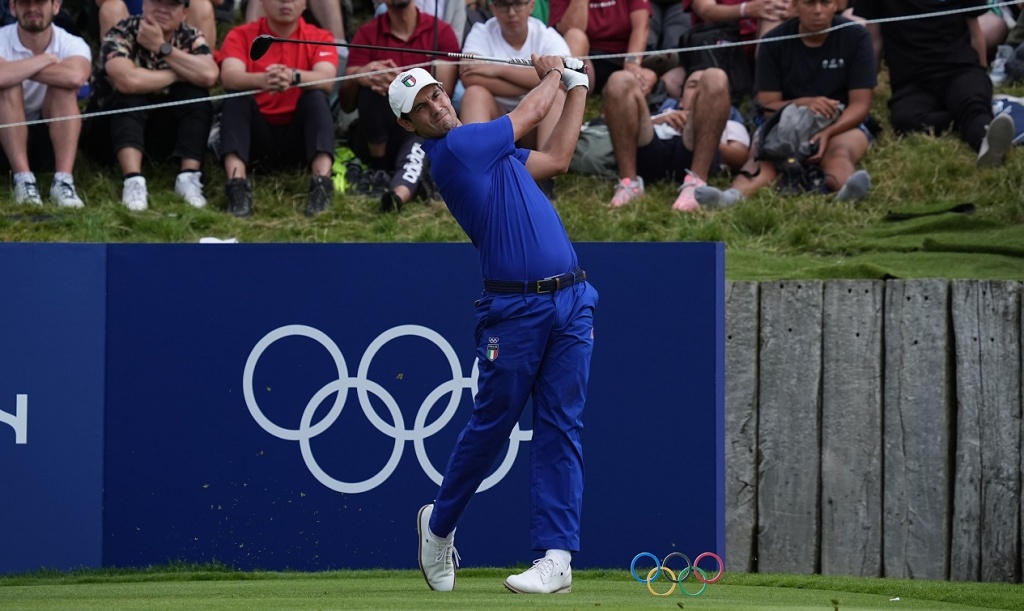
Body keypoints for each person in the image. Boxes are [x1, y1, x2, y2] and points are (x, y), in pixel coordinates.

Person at [389, 55, 596, 595]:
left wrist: (576, 86)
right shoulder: (457, 149)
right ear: (409, 125)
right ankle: (438, 528)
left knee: (561, 428)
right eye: (423, 107)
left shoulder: (492, 152)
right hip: (515, 310)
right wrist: (552, 70)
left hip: (572, 299)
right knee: (491, 428)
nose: (438, 105)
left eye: (438, 93)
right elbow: (527, 112)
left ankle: (556, 560)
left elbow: (558, 157)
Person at [697, 0, 876, 206]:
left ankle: (846, 191)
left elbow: (861, 105)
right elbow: (767, 105)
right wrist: (803, 103)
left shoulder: (855, 37)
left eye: (825, 2)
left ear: (835, 5)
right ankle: (730, 197)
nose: (818, 11)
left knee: (838, 152)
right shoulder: (773, 41)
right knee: (762, 157)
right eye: (809, 3)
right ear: (794, 6)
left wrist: (827, 133)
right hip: (784, 119)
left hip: (840, 122)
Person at [85, 0, 219, 211]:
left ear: (184, 13)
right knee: (131, 96)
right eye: (157, 1)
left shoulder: (190, 35)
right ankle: (133, 180)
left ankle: (189, 178)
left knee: (196, 94)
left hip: (161, 130)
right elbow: (128, 81)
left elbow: (209, 75)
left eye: (172, 5)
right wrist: (179, 74)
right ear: (145, 4)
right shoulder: (121, 31)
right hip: (108, 133)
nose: (163, 9)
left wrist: (162, 48)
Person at [854, 0, 1015, 167]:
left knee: (972, 100)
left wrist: (982, 74)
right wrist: (863, 88)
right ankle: (964, 118)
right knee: (906, 121)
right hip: (911, 81)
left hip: (960, 69)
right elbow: (874, 42)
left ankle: (985, 141)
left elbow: (976, 34)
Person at [217, 0, 338, 217]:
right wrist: (263, 80)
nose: (285, 2)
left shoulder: (320, 37)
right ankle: (237, 186)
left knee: (317, 97)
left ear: (305, 4)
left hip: (299, 139)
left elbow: (327, 79)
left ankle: (322, 184)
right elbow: (229, 76)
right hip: (256, 138)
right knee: (236, 97)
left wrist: (294, 77)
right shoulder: (241, 34)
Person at [339, 0, 460, 212]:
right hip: (378, 130)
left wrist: (403, 86)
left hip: (419, 127)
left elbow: (443, 96)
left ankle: (396, 195)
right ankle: (380, 169)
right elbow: (346, 104)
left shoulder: (441, 31)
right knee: (370, 87)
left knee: (419, 136)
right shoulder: (367, 34)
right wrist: (362, 74)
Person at [0, 0, 91, 207]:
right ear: (13, 7)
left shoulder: (72, 43)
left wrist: (14, 70)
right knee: (8, 86)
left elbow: (75, 77)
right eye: (25, 3)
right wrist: (43, 60)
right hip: (3, 139)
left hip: (49, 138)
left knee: (63, 88)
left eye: (40, 2)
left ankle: (63, 181)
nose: (32, 9)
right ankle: (23, 179)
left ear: (56, 6)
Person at [460, 0, 570, 166]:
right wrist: (542, 80)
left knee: (557, 95)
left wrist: (498, 70)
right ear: (493, 8)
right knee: (474, 93)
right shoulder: (481, 32)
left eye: (518, 4)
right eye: (503, 5)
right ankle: (477, 169)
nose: (511, 12)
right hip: (497, 118)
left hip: (536, 120)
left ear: (531, 5)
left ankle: (545, 176)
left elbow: (563, 78)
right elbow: (469, 76)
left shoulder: (546, 35)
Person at [605, 66, 731, 210]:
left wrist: (704, 129)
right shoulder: (662, 110)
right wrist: (659, 120)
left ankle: (696, 187)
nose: (698, 91)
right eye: (693, 85)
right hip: (648, 150)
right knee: (619, 79)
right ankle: (629, 185)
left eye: (704, 87)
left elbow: (740, 154)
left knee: (715, 76)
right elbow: (617, 122)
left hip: (693, 155)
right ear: (681, 98)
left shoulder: (728, 115)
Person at [548, 0, 650, 94]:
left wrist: (632, 62)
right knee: (575, 36)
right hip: (587, 61)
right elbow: (568, 29)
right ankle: (565, 93)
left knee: (646, 76)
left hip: (623, 58)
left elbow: (641, 27)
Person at [95, 0, 222, 50]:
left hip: (176, 18)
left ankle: (200, 64)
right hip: (131, 23)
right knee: (111, 8)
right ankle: (119, 69)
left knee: (202, 5)